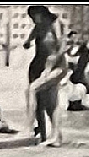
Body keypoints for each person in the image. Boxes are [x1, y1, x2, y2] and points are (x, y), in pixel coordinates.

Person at [24, 6, 67, 146]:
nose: (33, 20)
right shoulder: (38, 27)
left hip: (55, 66)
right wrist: (28, 42)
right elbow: (30, 38)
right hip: (39, 66)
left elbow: (63, 44)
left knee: (32, 89)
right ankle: (48, 136)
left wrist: (56, 57)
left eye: (34, 16)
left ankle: (28, 129)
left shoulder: (55, 24)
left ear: (41, 13)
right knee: (46, 103)